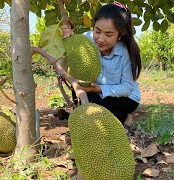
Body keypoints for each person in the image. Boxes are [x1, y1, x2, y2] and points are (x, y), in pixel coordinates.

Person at [59, 1, 142, 130]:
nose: (101, 39)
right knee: (80, 94)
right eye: (97, 31)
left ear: (120, 35)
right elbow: (72, 61)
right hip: (94, 90)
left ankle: (123, 117)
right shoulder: (86, 40)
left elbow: (126, 88)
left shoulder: (126, 52)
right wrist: (68, 38)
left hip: (125, 97)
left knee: (96, 107)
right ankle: (88, 116)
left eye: (108, 35)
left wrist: (98, 89)